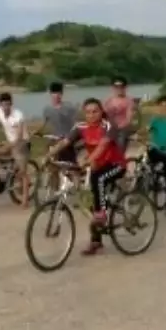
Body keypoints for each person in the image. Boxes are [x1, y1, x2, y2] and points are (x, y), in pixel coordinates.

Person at [45, 98, 126, 255]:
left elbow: (102, 147)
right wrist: (49, 155)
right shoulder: (80, 127)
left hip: (116, 165)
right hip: (97, 166)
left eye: (95, 111)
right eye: (88, 112)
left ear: (102, 112)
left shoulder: (108, 126)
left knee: (99, 181)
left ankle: (102, 214)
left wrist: (87, 161)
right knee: (90, 201)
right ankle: (96, 241)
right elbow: (65, 142)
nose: (91, 115)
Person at [39, 82, 81, 195]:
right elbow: (45, 123)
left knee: (72, 166)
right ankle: (54, 190)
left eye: (58, 93)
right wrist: (37, 132)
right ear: (50, 94)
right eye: (53, 93)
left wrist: (71, 135)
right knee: (52, 167)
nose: (56, 96)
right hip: (54, 139)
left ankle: (78, 191)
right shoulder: (47, 109)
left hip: (67, 140)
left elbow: (76, 123)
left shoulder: (69, 107)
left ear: (61, 94)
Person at [104, 76, 136, 148]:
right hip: (109, 126)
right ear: (112, 87)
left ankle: (119, 156)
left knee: (120, 140)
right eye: (116, 86)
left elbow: (129, 119)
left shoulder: (129, 101)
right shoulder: (108, 100)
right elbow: (103, 114)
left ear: (125, 87)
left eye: (121, 86)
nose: (119, 89)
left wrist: (119, 127)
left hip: (122, 128)